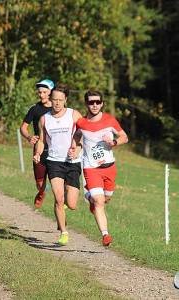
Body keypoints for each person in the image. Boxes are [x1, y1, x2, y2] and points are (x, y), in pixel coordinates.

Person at [69, 90, 128, 247]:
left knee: (106, 198)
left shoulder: (110, 120)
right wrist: (74, 147)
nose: (94, 105)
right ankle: (105, 235)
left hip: (109, 168)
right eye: (90, 102)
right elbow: (76, 136)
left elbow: (124, 137)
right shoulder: (81, 122)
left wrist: (113, 143)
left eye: (97, 102)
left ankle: (89, 198)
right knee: (99, 201)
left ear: (102, 103)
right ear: (86, 104)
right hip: (91, 167)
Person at [33, 84, 82, 246]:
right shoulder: (44, 118)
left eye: (61, 100)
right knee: (58, 199)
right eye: (54, 100)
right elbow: (41, 140)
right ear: (50, 100)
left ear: (66, 100)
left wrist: (78, 148)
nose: (57, 103)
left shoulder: (74, 115)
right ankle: (63, 232)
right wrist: (38, 153)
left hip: (72, 162)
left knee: (72, 204)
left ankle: (63, 211)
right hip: (54, 162)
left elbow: (83, 134)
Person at [20, 79, 54, 209]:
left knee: (57, 179)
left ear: (50, 92)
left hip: (55, 149)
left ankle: (60, 203)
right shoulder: (35, 109)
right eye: (39, 92)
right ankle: (41, 192)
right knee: (40, 184)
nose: (41, 95)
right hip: (39, 148)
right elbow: (23, 127)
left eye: (44, 92)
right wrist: (29, 137)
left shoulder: (57, 109)